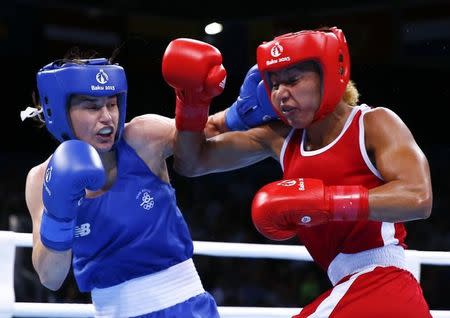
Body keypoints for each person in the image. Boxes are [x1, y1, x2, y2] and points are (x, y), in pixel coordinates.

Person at [166, 26, 433, 317]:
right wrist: (195, 103)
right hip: (358, 290)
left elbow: (418, 197)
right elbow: (191, 162)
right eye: (274, 84)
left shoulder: (373, 123)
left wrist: (327, 202)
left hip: (383, 282)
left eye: (292, 80)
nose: (281, 93)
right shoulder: (281, 137)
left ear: (330, 77)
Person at [22, 38, 226, 318]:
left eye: (112, 104)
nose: (107, 117)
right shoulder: (40, 178)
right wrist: (60, 212)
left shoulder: (142, 137)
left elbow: (212, 135)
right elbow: (50, 277)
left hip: (184, 308)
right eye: (92, 107)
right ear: (59, 112)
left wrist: (241, 111)